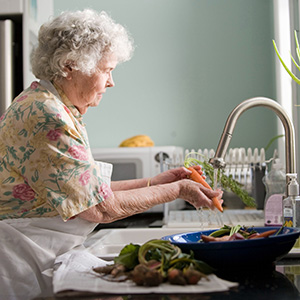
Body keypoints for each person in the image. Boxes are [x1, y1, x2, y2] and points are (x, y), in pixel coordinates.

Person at [0, 9, 223, 299]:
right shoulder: (46, 115)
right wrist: (178, 189)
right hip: (21, 263)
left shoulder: (51, 106)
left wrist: (156, 183)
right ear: (70, 66)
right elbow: (99, 208)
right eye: (106, 70)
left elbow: (86, 192)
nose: (111, 81)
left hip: (36, 253)